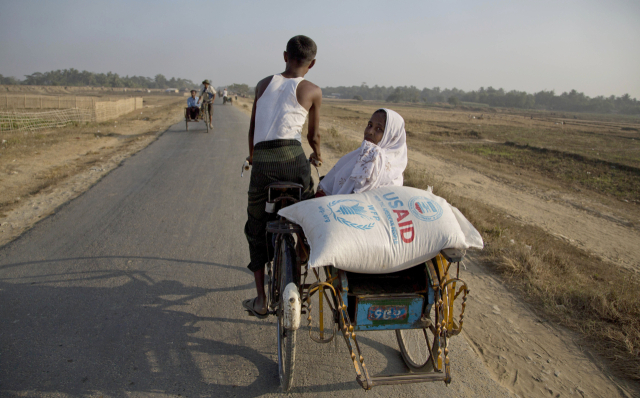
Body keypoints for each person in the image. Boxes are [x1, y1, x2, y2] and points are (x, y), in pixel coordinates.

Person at [242, 35, 322, 318]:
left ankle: (262, 299)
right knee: (308, 207)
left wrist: (254, 158)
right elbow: (312, 136)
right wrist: (317, 153)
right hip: (294, 161)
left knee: (255, 225)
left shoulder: (264, 84)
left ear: (285, 56)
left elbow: (252, 129)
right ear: (311, 64)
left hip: (263, 162)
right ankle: (302, 250)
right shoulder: (312, 90)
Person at [316, 109, 407, 196]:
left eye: (379, 129)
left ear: (392, 137)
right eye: (370, 125)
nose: (370, 132)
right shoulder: (359, 155)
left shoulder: (389, 168)